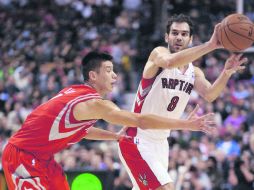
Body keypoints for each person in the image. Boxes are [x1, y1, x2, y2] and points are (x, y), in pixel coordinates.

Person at [2, 51, 215, 190]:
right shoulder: (96, 104)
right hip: (22, 157)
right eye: (109, 70)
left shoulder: (75, 93)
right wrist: (185, 125)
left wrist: (113, 136)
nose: (115, 76)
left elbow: (83, 131)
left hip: (43, 158)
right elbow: (139, 120)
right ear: (93, 76)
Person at [118, 14, 248, 190]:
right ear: (167, 37)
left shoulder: (194, 72)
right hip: (137, 138)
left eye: (184, 34)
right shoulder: (158, 55)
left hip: (161, 143)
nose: (179, 37)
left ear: (190, 38)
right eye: (174, 33)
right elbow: (170, 62)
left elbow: (210, 94)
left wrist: (226, 73)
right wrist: (210, 45)